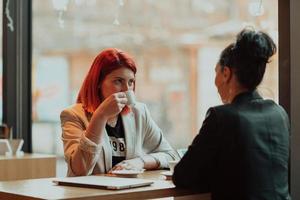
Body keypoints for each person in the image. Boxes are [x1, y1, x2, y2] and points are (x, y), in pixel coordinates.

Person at [173, 29, 290, 200]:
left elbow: (183, 175)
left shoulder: (221, 117)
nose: (215, 82)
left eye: (216, 72)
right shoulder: (279, 114)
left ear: (226, 73)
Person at [60, 48, 178, 176]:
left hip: (126, 192)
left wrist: (140, 162)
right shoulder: (73, 115)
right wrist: (100, 116)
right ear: (98, 83)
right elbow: (79, 170)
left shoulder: (139, 112)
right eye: (118, 81)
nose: (127, 90)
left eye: (131, 82)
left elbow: (170, 155)